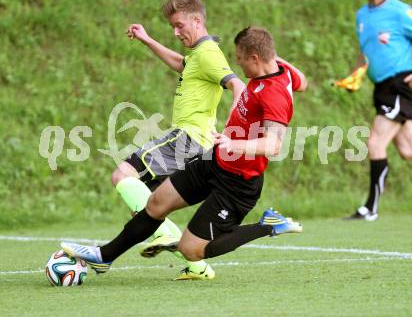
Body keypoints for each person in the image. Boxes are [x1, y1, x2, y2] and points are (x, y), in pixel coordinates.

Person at [61, 26, 307, 279]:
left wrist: (235, 145)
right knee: (156, 204)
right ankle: (104, 257)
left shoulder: (274, 94)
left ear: (255, 58)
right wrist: (276, 59)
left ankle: (266, 226)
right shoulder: (280, 71)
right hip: (214, 160)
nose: (238, 64)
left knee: (191, 250)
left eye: (241, 59)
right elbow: (303, 82)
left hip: (238, 183)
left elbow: (273, 145)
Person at [111, 0, 245, 279]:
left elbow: (238, 86)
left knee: (123, 175)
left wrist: (232, 132)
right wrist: (147, 40)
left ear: (197, 20)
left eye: (179, 25)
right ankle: (198, 267)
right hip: (196, 141)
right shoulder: (199, 54)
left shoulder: (208, 54)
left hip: (188, 137)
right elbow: (180, 64)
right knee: (147, 206)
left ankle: (167, 234)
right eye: (172, 26)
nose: (175, 32)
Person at [346, 0, 412, 221]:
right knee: (410, 150)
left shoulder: (401, 11)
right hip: (381, 88)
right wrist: (355, 75)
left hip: (401, 85)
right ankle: (371, 208)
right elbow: (365, 52)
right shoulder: (361, 15)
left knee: (375, 143)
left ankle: (370, 208)